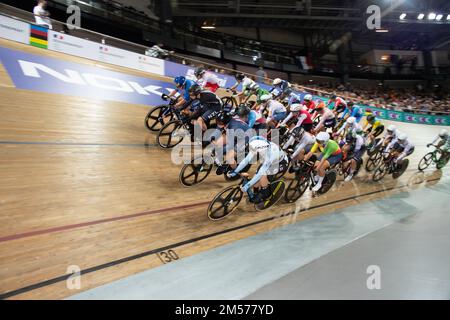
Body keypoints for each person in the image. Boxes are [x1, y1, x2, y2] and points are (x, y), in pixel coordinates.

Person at [227, 136, 289, 203]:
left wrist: (247, 185)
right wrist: (235, 171)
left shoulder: (270, 153)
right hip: (271, 162)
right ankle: (256, 193)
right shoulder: (259, 146)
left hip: (281, 163)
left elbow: (261, 173)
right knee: (256, 178)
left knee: (262, 175)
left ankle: (265, 194)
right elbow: (247, 160)